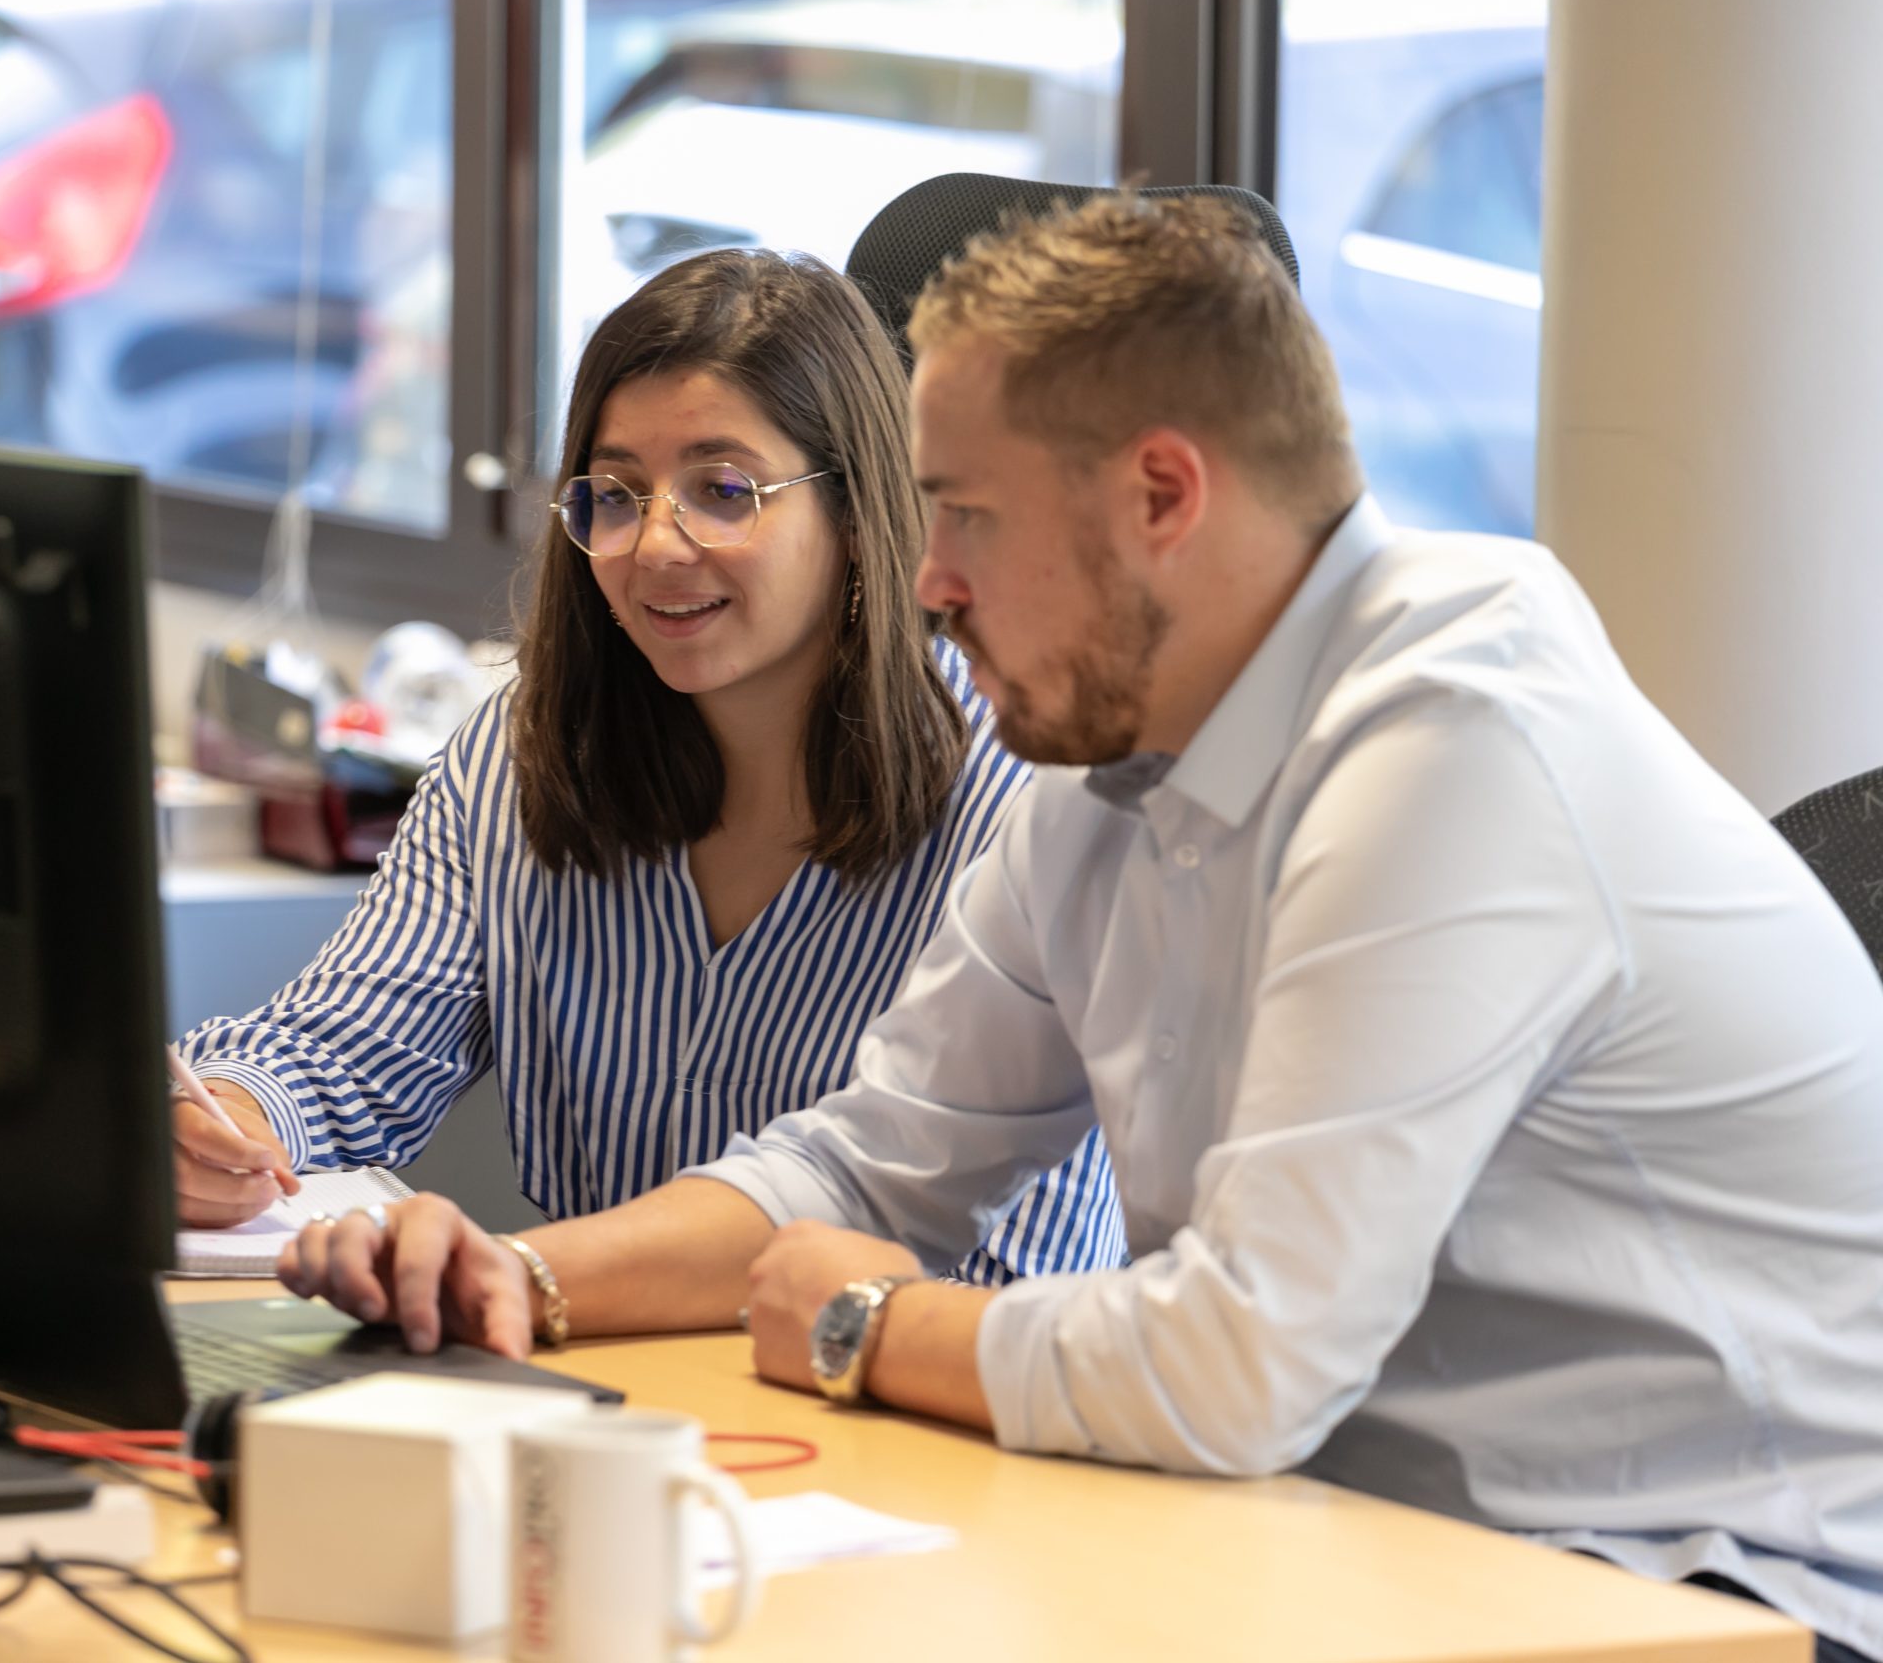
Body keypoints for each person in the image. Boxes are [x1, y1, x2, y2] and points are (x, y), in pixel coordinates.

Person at [280, 196, 1883, 1661]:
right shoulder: (1104, 757)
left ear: (1161, 496)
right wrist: (514, 1278)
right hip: (1383, 1551)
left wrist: (861, 1321)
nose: (930, 585)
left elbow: (1232, 1366)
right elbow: (868, 1160)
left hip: (1707, 1594)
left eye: (963, 517)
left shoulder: (1455, 748)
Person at [174, 248, 1123, 1286]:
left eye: (723, 490)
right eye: (616, 495)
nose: (656, 544)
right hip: (599, 1395)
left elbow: (1003, 1271)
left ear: (855, 513)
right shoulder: (521, 757)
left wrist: (521, 1275)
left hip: (903, 1409)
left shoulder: (1019, 796)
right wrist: (228, 1113)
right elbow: (346, 1046)